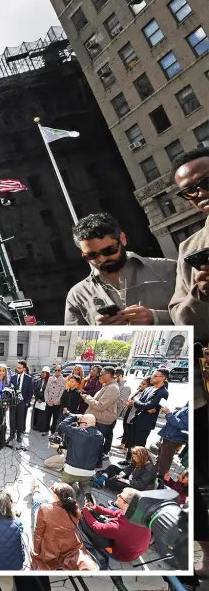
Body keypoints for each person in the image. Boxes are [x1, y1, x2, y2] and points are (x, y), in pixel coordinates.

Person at [168, 145, 209, 575]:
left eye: (204, 183)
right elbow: (183, 317)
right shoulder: (192, 247)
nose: (199, 194)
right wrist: (199, 293)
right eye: (189, 192)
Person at [64, 212, 176, 326]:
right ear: (83, 253)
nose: (102, 259)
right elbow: (72, 341)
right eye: (92, 255)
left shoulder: (170, 269)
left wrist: (156, 318)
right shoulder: (78, 295)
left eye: (109, 250)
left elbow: (193, 317)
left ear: (122, 239)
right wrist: (97, 334)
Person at [30, 483, 98, 571]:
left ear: (57, 496)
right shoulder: (75, 509)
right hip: (70, 544)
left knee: (38, 504)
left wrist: (36, 551)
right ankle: (36, 491)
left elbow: (38, 534)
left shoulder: (44, 508)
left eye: (53, 491)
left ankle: (36, 491)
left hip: (50, 546)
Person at [79, 488, 153, 568]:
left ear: (126, 505)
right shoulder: (137, 513)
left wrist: (85, 510)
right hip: (135, 550)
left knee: (94, 532)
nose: (118, 495)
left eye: (121, 496)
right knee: (111, 510)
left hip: (122, 555)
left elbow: (96, 526)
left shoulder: (119, 527)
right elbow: (115, 513)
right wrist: (96, 508)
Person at [125, 367, 169, 462]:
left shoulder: (163, 392)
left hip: (145, 423)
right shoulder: (149, 389)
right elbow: (139, 400)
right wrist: (139, 403)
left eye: (155, 376)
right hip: (136, 418)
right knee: (131, 442)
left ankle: (136, 464)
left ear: (163, 378)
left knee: (139, 445)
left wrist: (137, 403)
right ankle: (128, 460)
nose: (152, 377)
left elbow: (150, 405)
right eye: (152, 375)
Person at [81, 366, 120, 464]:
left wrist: (87, 398)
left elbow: (100, 405)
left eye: (102, 374)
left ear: (108, 375)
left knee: (96, 443)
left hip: (102, 420)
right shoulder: (106, 386)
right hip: (97, 418)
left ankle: (95, 463)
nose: (100, 376)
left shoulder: (112, 388)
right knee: (93, 443)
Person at [57, 413, 103, 496]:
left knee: (64, 486)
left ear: (85, 424)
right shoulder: (100, 435)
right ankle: (87, 495)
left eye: (80, 423)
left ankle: (66, 496)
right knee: (85, 484)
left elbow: (62, 425)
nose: (79, 425)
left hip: (72, 470)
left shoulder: (77, 431)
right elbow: (100, 453)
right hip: (89, 472)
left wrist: (74, 416)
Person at [155, 402, 188, 483]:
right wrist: (169, 413)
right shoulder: (187, 406)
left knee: (165, 457)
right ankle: (156, 473)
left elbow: (183, 425)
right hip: (170, 435)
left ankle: (161, 478)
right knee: (161, 454)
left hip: (175, 437)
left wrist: (169, 414)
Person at [9, 361, 34, 444]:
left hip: (22, 403)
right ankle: (12, 434)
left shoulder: (28, 378)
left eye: (19, 368)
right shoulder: (12, 378)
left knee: (20, 420)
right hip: (13, 402)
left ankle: (19, 435)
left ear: (24, 368)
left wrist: (27, 403)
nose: (18, 369)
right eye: (17, 367)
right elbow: (10, 389)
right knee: (12, 419)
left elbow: (31, 392)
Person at [44, 365, 66, 435]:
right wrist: (47, 400)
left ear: (61, 371)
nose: (57, 372)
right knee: (47, 417)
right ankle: (46, 430)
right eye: (55, 370)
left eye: (58, 370)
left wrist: (56, 401)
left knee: (55, 418)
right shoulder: (50, 378)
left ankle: (52, 432)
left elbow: (61, 392)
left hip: (56, 403)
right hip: (49, 401)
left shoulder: (63, 380)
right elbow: (46, 389)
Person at [32, 367, 50, 437]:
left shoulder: (49, 382)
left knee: (42, 416)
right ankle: (35, 427)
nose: (42, 374)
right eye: (42, 372)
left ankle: (41, 428)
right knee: (36, 414)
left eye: (44, 373)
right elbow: (35, 390)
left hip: (44, 401)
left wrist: (43, 399)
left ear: (47, 374)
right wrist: (37, 398)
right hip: (37, 400)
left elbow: (48, 392)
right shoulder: (38, 381)